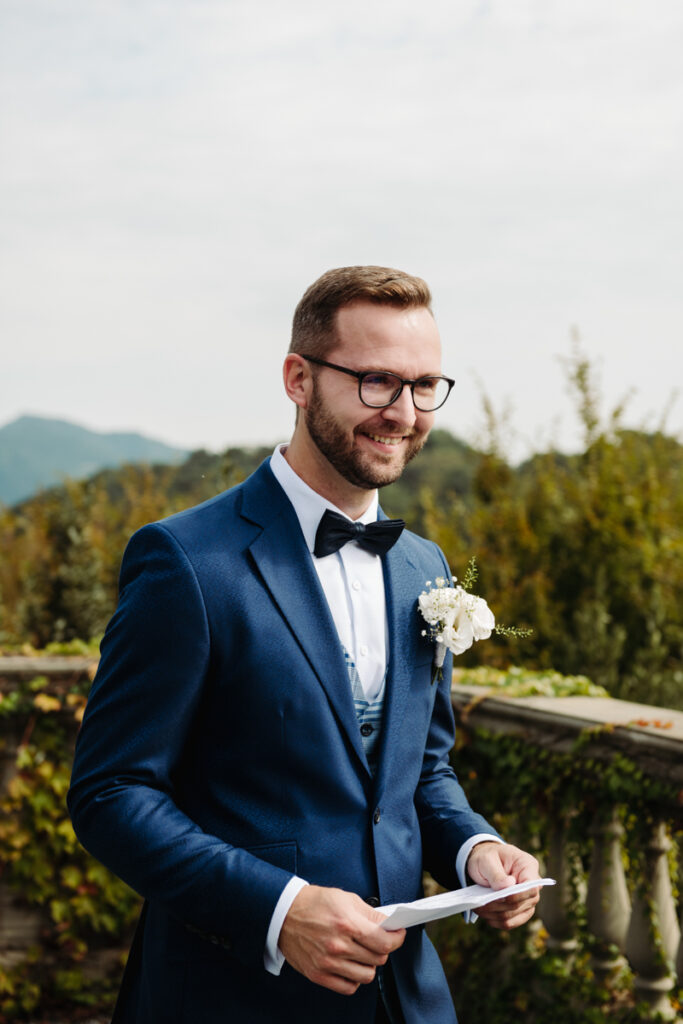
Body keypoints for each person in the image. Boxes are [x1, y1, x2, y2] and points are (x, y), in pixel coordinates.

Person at [68, 266, 540, 1024]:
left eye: (425, 386)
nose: (405, 413)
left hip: (403, 998)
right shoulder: (185, 562)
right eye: (377, 381)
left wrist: (472, 851)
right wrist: (278, 910)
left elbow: (418, 771)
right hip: (229, 995)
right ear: (298, 378)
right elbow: (112, 792)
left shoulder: (425, 566)